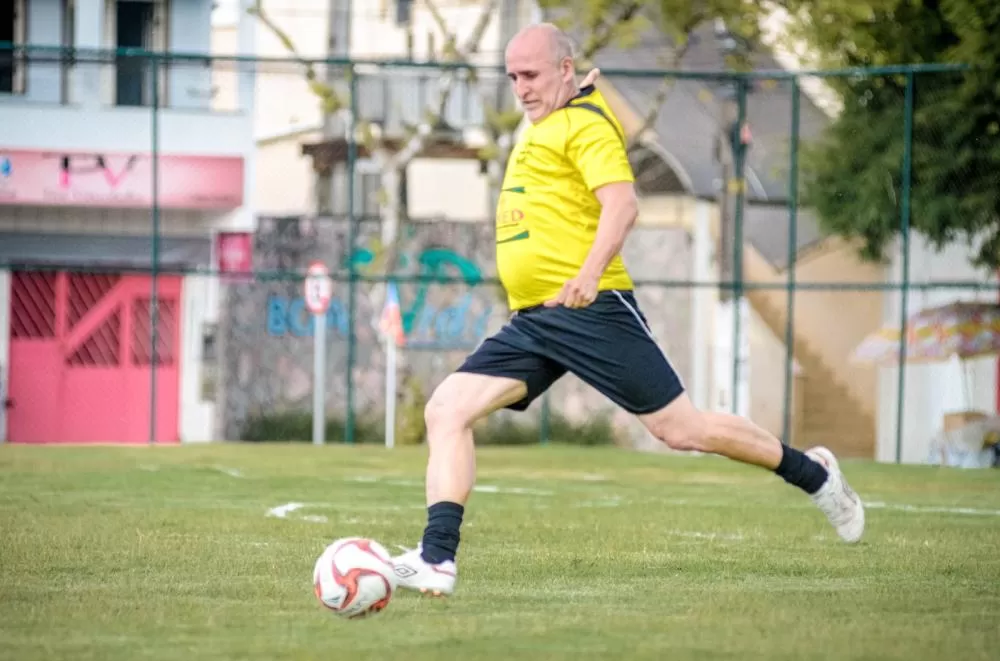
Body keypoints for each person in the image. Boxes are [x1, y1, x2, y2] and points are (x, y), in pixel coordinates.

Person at [391, 22, 864, 596]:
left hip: (592, 310)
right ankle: (437, 559)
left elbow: (622, 206)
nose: (521, 87)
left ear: (564, 70)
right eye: (513, 76)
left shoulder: (586, 128)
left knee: (681, 430)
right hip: (537, 320)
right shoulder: (552, 118)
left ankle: (814, 474)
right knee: (446, 410)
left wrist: (588, 276)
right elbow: (562, 104)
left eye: (532, 75)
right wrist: (574, 90)